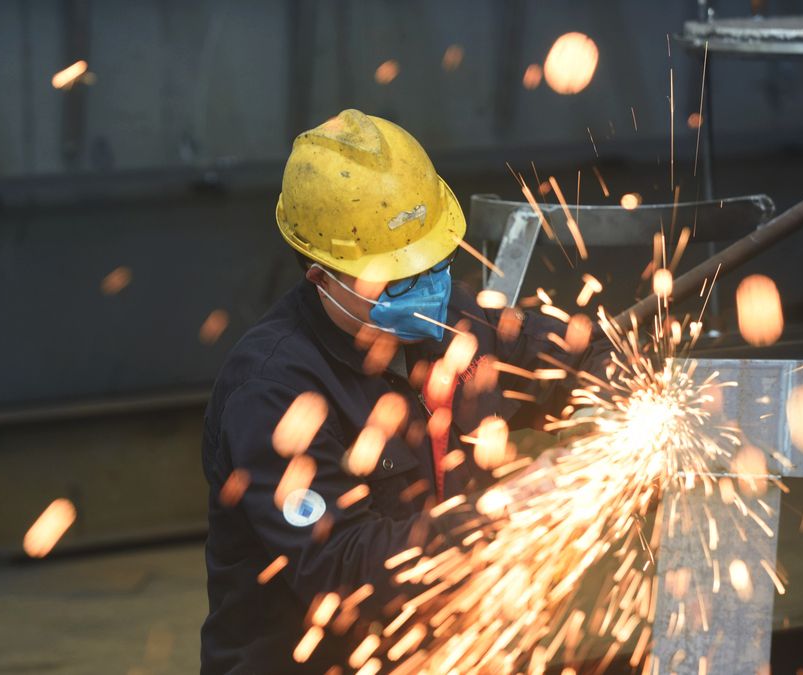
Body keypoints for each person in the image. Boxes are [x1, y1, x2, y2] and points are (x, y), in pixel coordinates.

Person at [201, 109, 606, 673]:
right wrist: (493, 515)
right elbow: (342, 567)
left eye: (434, 262)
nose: (429, 288)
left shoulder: (451, 320)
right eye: (398, 277)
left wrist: (625, 399)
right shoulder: (272, 393)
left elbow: (574, 355)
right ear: (323, 276)